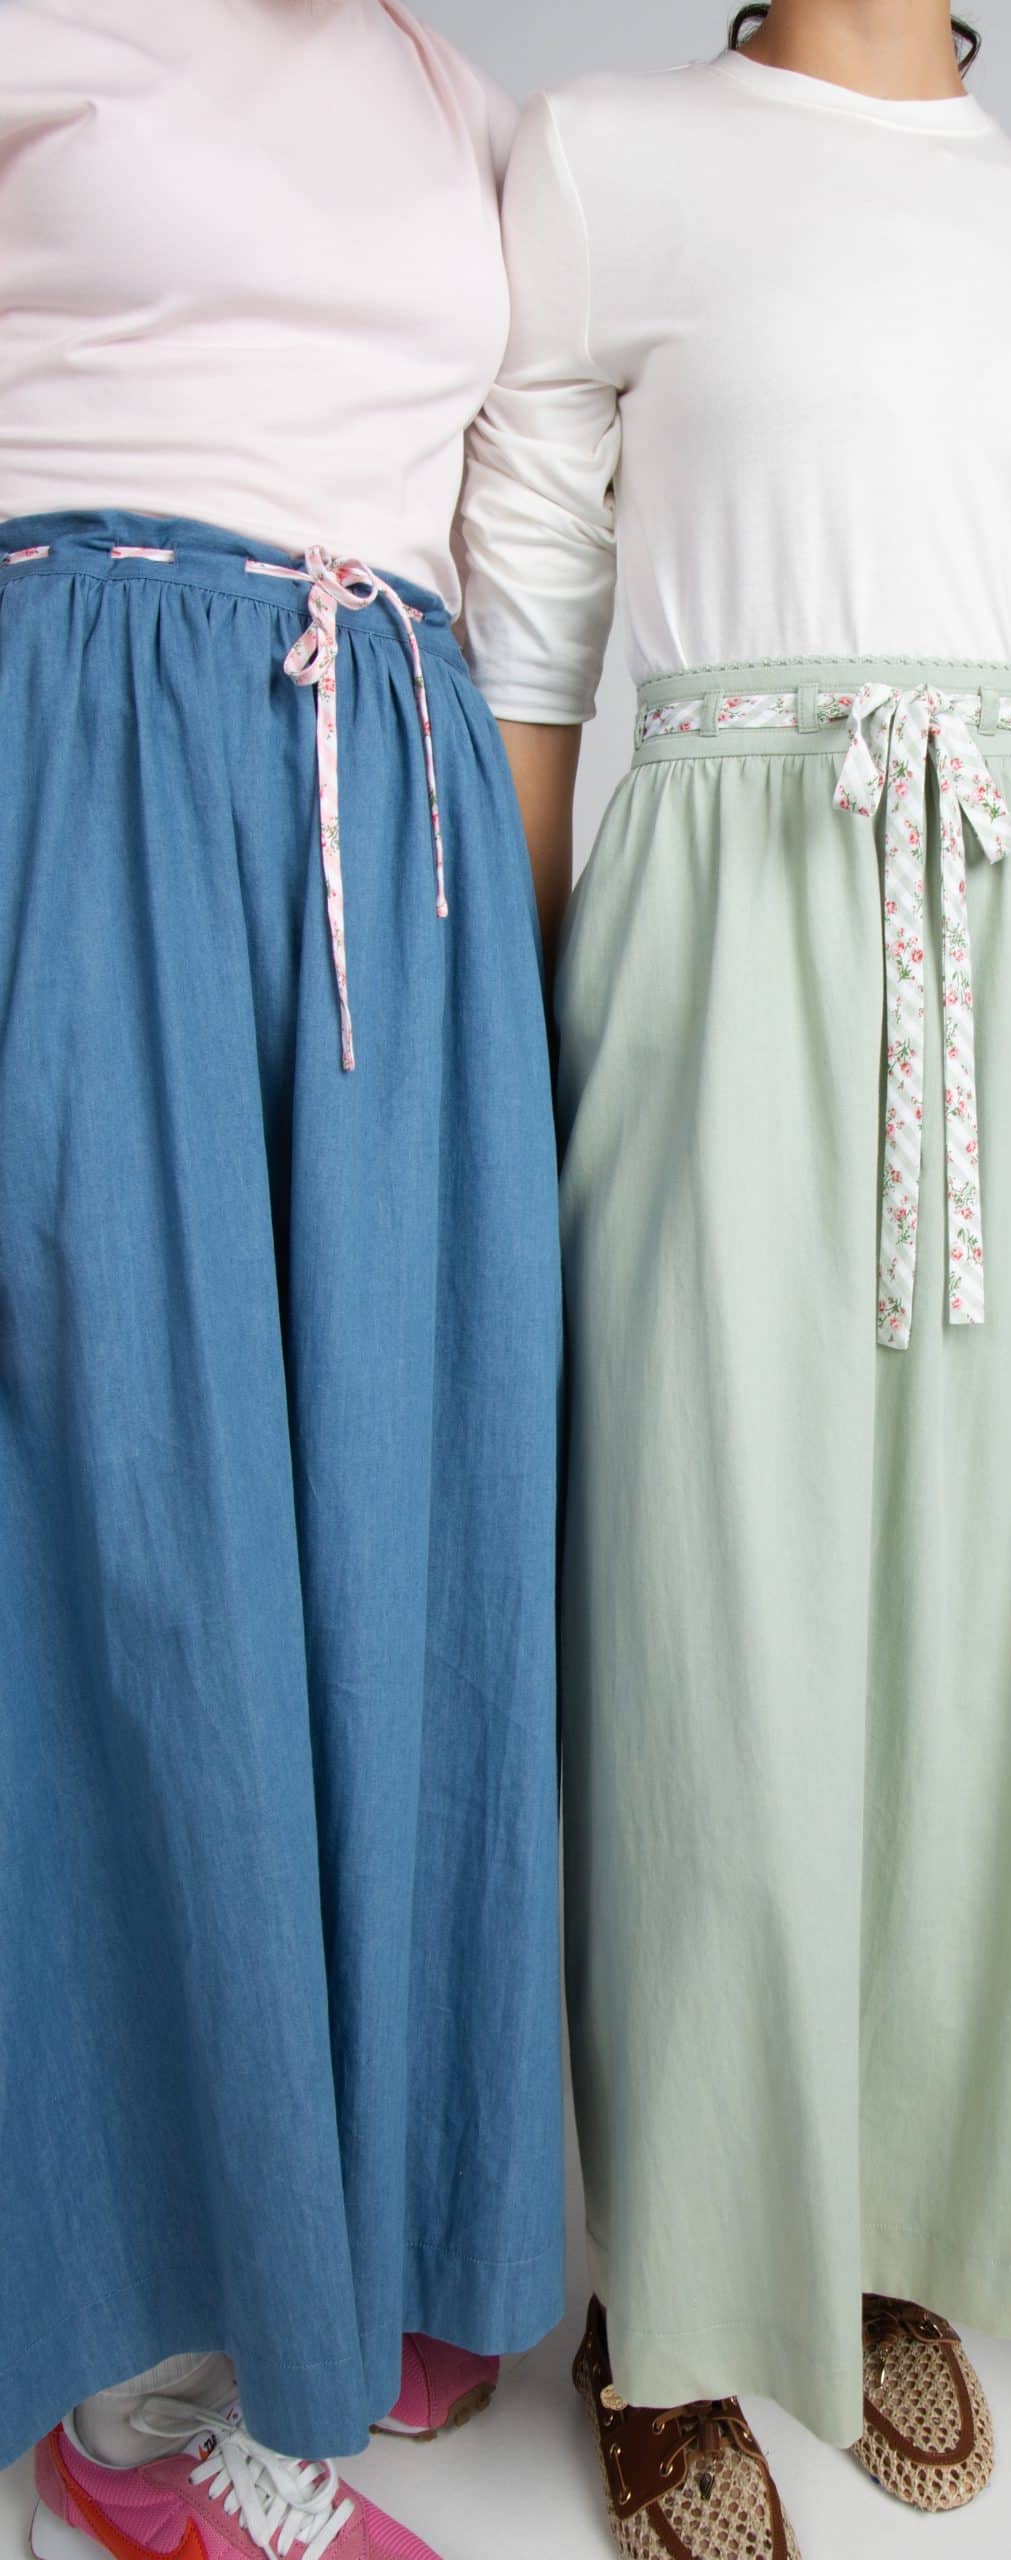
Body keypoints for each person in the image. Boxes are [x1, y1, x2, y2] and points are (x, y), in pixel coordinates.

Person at [459, 2, 1011, 2550]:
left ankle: (876, 2224)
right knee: (706, 1613)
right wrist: (534, 1016)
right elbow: (531, 618)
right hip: (723, 917)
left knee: (967, 1622)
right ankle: (674, 2293)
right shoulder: (608, 156)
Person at [0, 4, 565, 2552]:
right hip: (97, 768)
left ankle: (342, 2226)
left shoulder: (459, 99)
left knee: (401, 1539)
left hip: (394, 818)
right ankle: (140, 2385)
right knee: (142, 1545)